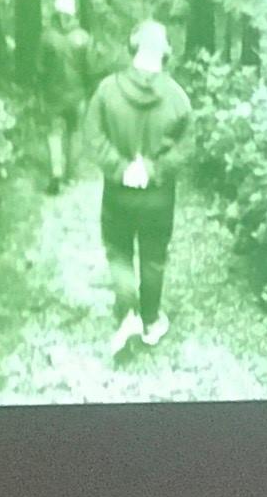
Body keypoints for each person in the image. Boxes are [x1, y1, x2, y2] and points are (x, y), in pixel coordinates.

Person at [81, 20, 193, 352]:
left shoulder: (107, 90)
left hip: (118, 194)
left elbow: (92, 136)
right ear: (165, 53)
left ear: (133, 48)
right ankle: (150, 322)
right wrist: (155, 168)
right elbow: (187, 146)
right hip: (158, 197)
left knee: (118, 250)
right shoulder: (177, 97)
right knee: (154, 256)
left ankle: (127, 311)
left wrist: (120, 168)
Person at [40, 0, 101, 191]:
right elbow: (91, 69)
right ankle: (70, 175)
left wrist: (41, 88)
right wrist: (88, 90)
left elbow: (39, 69)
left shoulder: (47, 38)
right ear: (73, 13)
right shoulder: (83, 38)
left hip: (53, 95)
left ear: (56, 13)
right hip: (77, 96)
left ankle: (56, 172)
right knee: (75, 133)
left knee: (54, 133)